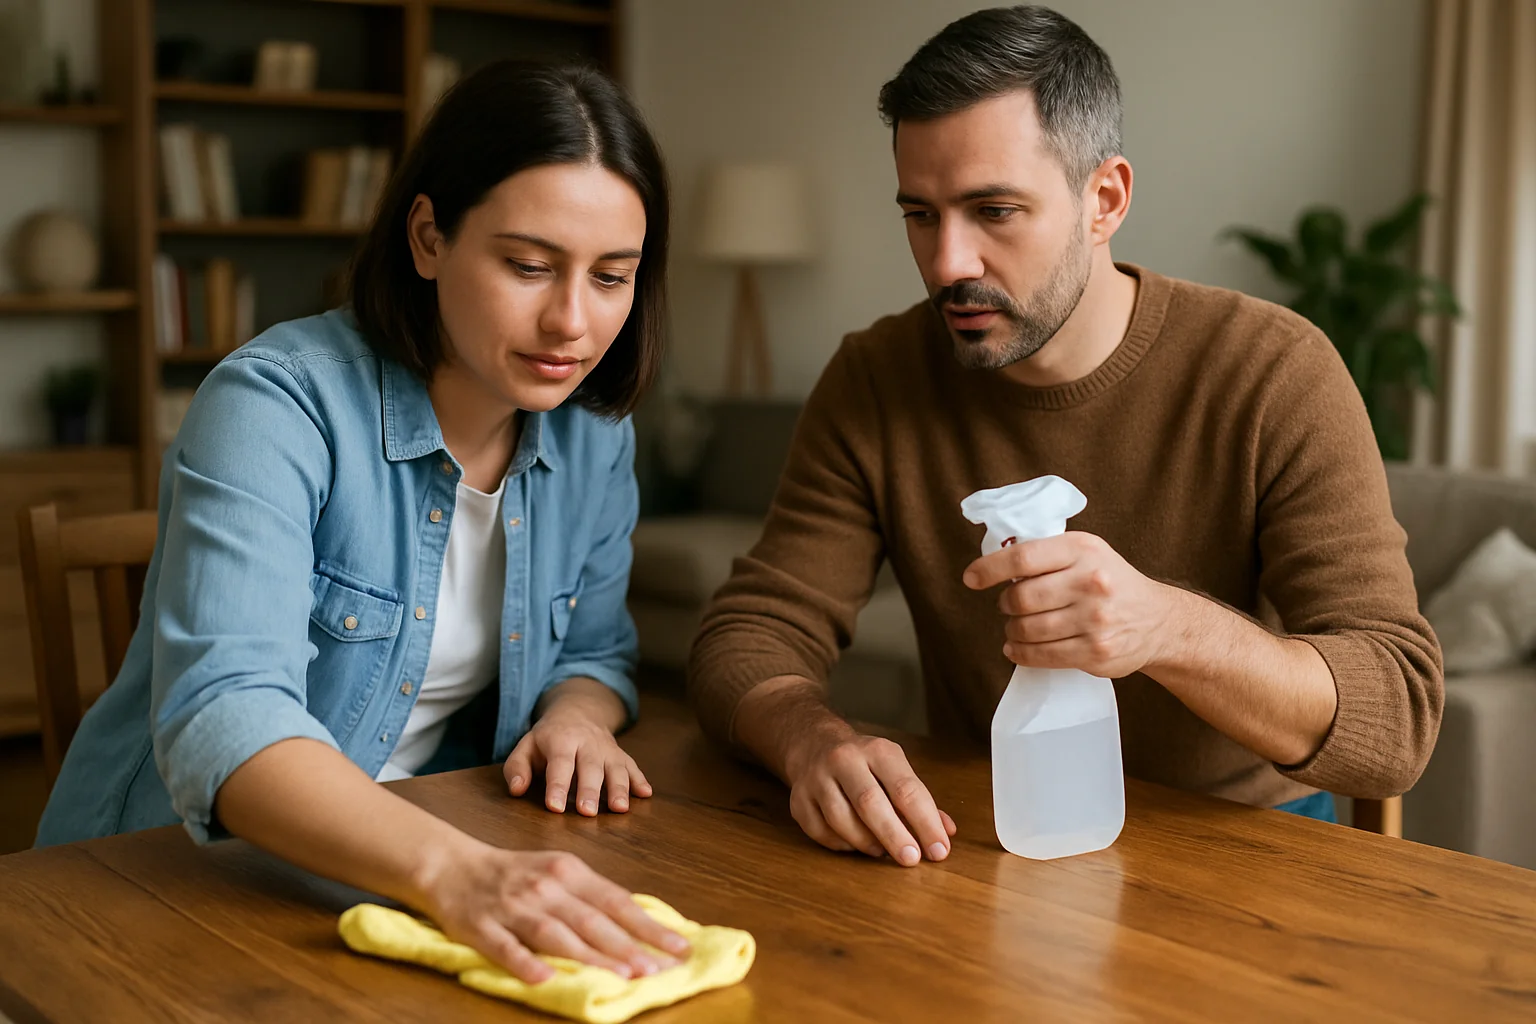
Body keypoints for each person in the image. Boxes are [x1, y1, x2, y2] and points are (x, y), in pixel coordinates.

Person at [688, 5, 1444, 868]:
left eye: (993, 211)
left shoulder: (1275, 371)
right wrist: (809, 739)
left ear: (1104, 200)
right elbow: (751, 631)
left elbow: (1398, 713)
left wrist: (1164, 628)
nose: (947, 264)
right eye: (921, 215)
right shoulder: (878, 376)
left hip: (1247, 845)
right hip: (996, 833)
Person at [36, 60, 691, 983]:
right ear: (428, 237)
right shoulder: (273, 405)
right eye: (529, 266)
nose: (572, 323)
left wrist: (577, 716)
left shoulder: (591, 436)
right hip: (165, 888)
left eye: (612, 276)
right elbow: (228, 716)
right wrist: (460, 873)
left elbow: (595, 651)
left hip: (421, 872)